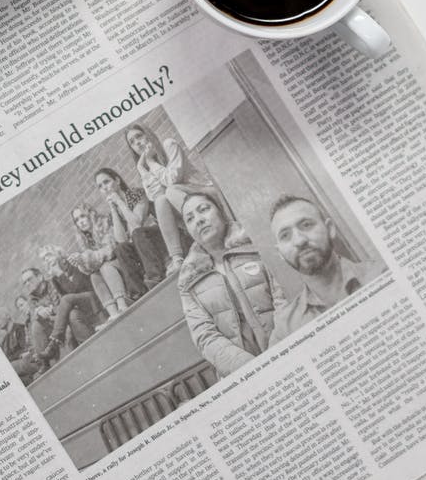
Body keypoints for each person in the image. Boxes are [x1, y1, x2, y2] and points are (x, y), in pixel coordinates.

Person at [176, 190, 284, 378]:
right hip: (244, 375)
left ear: (221, 212)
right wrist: (251, 369)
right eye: (190, 219)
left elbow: (284, 295)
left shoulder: (255, 242)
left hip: (287, 350)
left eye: (204, 209)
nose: (199, 220)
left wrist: (277, 351)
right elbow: (205, 337)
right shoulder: (188, 279)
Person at [268, 195, 387, 339]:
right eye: (285, 235)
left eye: (306, 225)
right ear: (280, 253)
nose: (299, 240)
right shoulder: (286, 330)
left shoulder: (383, 275)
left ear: (330, 229)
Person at [125, 124, 220, 273]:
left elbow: (172, 180)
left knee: (170, 191)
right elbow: (155, 195)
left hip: (205, 194)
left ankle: (205, 244)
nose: (137, 142)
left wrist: (150, 162)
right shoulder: (146, 166)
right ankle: (177, 258)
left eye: (139, 136)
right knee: (161, 200)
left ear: (148, 134)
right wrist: (142, 169)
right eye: (132, 142)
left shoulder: (168, 145)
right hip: (183, 204)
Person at [94, 167, 170, 285]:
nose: (104, 187)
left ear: (117, 181)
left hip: (157, 237)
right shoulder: (112, 214)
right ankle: (138, 291)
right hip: (141, 249)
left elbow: (136, 224)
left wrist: (119, 201)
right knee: (120, 248)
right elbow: (121, 240)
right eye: (100, 186)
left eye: (106, 182)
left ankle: (156, 277)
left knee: (137, 233)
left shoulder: (136, 193)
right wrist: (113, 209)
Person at [21, 264, 95, 353]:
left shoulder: (54, 282)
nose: (27, 284)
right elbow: (34, 318)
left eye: (29, 279)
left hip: (72, 314)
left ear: (40, 276)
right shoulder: (31, 299)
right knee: (36, 326)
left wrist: (51, 312)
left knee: (72, 316)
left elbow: (68, 301)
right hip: (54, 324)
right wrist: (38, 314)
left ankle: (91, 348)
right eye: (24, 283)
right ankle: (44, 362)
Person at [0, 299, 41, 383]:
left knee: (7, 371)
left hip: (30, 358)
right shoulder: (4, 341)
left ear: (7, 316)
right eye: (19, 307)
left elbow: (25, 349)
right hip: (23, 362)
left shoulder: (19, 328)